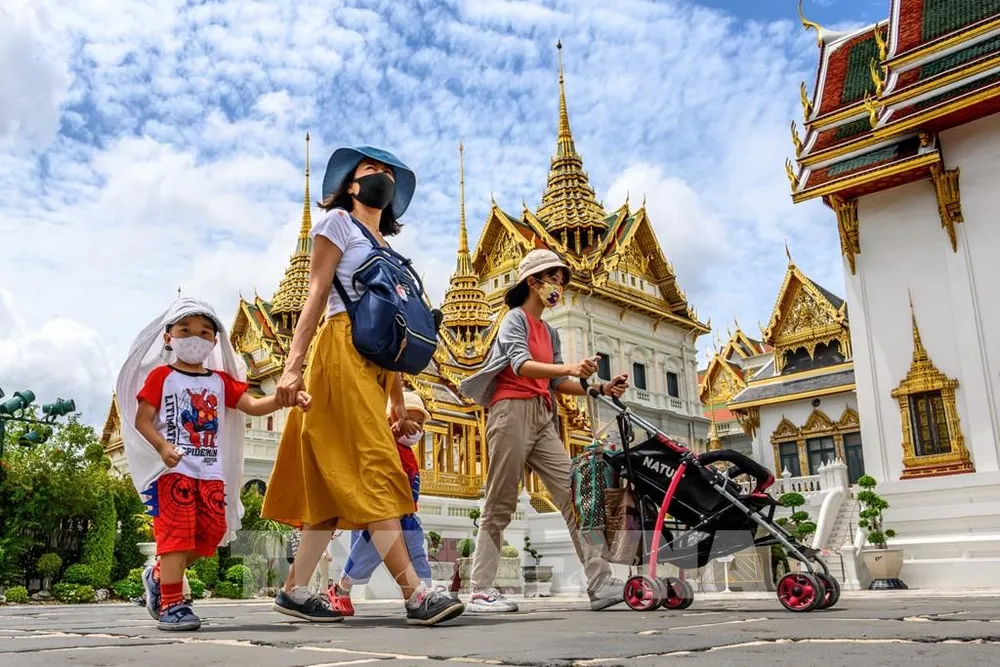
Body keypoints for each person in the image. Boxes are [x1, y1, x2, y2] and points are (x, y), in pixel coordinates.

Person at [261, 146, 464, 626]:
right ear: (350, 185)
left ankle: (294, 590)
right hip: (337, 353)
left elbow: (393, 333)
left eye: (388, 174)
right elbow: (315, 293)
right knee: (377, 469)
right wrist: (293, 365)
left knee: (335, 483)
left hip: (375, 367)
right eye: (372, 171)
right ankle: (415, 593)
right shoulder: (336, 225)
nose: (382, 179)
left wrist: (396, 396)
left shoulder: (388, 248)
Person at [116, 298, 310, 631]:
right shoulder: (162, 377)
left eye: (204, 332)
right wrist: (163, 447)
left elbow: (251, 404)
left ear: (214, 340)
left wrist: (282, 399)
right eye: (185, 330)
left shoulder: (219, 382)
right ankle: (172, 605)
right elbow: (142, 419)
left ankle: (160, 573)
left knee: (211, 535)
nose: (195, 337)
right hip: (174, 471)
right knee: (176, 538)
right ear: (169, 337)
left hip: (210, 472)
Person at [459, 249, 630, 613]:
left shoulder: (550, 332)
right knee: (500, 501)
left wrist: (598, 388)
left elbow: (556, 382)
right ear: (532, 282)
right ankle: (480, 589)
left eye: (560, 280)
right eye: (552, 278)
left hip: (543, 415)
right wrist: (570, 367)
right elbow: (521, 366)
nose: (557, 286)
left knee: (576, 496)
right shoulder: (514, 321)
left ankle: (600, 582)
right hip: (510, 412)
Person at [329, 391, 433, 616]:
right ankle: (340, 589)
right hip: (380, 514)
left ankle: (427, 593)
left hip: (407, 514)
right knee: (367, 554)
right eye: (410, 420)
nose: (415, 427)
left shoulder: (407, 451)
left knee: (417, 551)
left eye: (420, 423)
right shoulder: (383, 444)